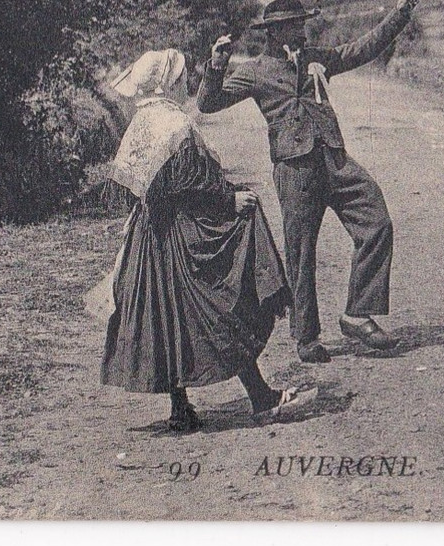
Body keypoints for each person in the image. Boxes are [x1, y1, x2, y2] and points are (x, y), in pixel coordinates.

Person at [198, 0, 420, 363]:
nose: (302, 30)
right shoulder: (253, 70)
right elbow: (208, 104)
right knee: (301, 252)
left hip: (334, 159)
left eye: (302, 23)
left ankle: (356, 313)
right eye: (294, 26)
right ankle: (306, 337)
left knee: (376, 221)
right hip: (294, 168)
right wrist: (216, 66)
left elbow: (362, 49)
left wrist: (398, 15)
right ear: (274, 32)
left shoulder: (317, 59)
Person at [93, 49, 308, 432]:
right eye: (180, 77)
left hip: (150, 235)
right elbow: (191, 182)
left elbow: (129, 188)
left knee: (168, 316)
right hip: (183, 232)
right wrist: (229, 199)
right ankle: (260, 397)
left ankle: (181, 408)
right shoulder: (175, 124)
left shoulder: (142, 122)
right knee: (221, 307)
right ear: (167, 84)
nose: (185, 82)